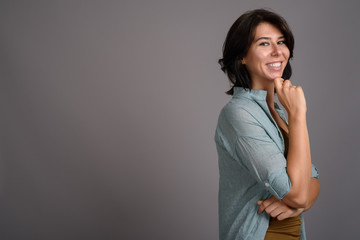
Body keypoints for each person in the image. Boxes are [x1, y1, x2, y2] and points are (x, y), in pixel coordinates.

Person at [214, 9, 320, 240]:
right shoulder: (239, 113)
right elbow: (299, 192)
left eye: (281, 42)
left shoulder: (281, 111)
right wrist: (299, 116)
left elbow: (312, 182)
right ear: (242, 56)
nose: (277, 51)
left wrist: (298, 205)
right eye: (264, 43)